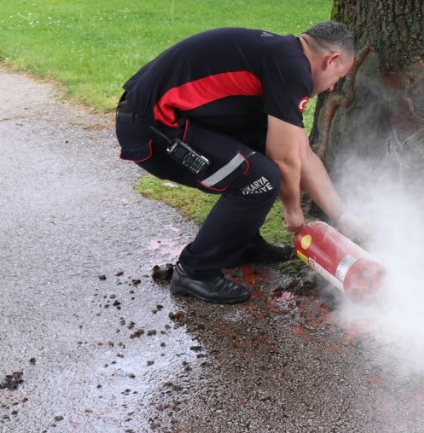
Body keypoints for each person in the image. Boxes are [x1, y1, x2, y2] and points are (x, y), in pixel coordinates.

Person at [116, 22, 359, 304]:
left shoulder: (285, 57)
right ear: (331, 60)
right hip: (152, 131)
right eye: (337, 78)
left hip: (171, 121)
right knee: (261, 178)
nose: (332, 87)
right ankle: (195, 271)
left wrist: (343, 218)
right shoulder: (292, 68)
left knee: (263, 154)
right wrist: (293, 210)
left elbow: (301, 152)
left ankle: (241, 244)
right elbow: (284, 158)